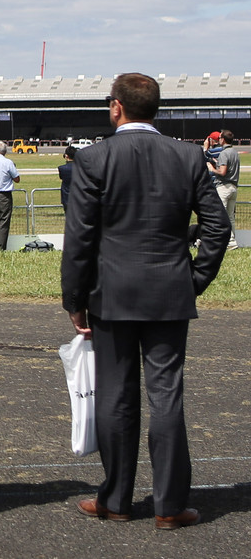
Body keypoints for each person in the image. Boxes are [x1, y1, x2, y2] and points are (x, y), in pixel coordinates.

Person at [63, 73, 230, 531]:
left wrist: (74, 299)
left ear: (116, 107)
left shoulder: (94, 157)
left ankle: (115, 499)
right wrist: (194, 278)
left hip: (112, 293)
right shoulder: (188, 155)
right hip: (168, 292)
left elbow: (79, 238)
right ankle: (170, 505)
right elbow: (218, 226)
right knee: (166, 397)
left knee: (116, 399)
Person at [205, 129, 240, 249]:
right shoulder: (234, 152)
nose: (218, 140)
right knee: (230, 217)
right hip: (234, 187)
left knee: (221, 217)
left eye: (220, 138)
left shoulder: (224, 153)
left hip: (224, 187)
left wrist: (212, 169)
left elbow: (222, 172)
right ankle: (232, 241)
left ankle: (223, 242)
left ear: (223, 139)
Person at [57, 145, 77, 211]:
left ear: (66, 156)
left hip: (66, 198)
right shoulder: (81, 168)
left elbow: (61, 177)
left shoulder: (62, 168)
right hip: (78, 198)